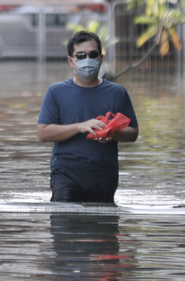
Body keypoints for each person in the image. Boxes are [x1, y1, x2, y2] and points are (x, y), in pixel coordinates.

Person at [37, 31, 139, 203]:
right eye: (81, 56)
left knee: (101, 227)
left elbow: (133, 133)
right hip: (66, 174)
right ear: (71, 60)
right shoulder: (56, 92)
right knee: (65, 221)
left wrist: (112, 133)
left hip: (103, 175)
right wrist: (80, 126)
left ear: (101, 58)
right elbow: (43, 133)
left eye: (93, 55)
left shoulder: (117, 93)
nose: (88, 59)